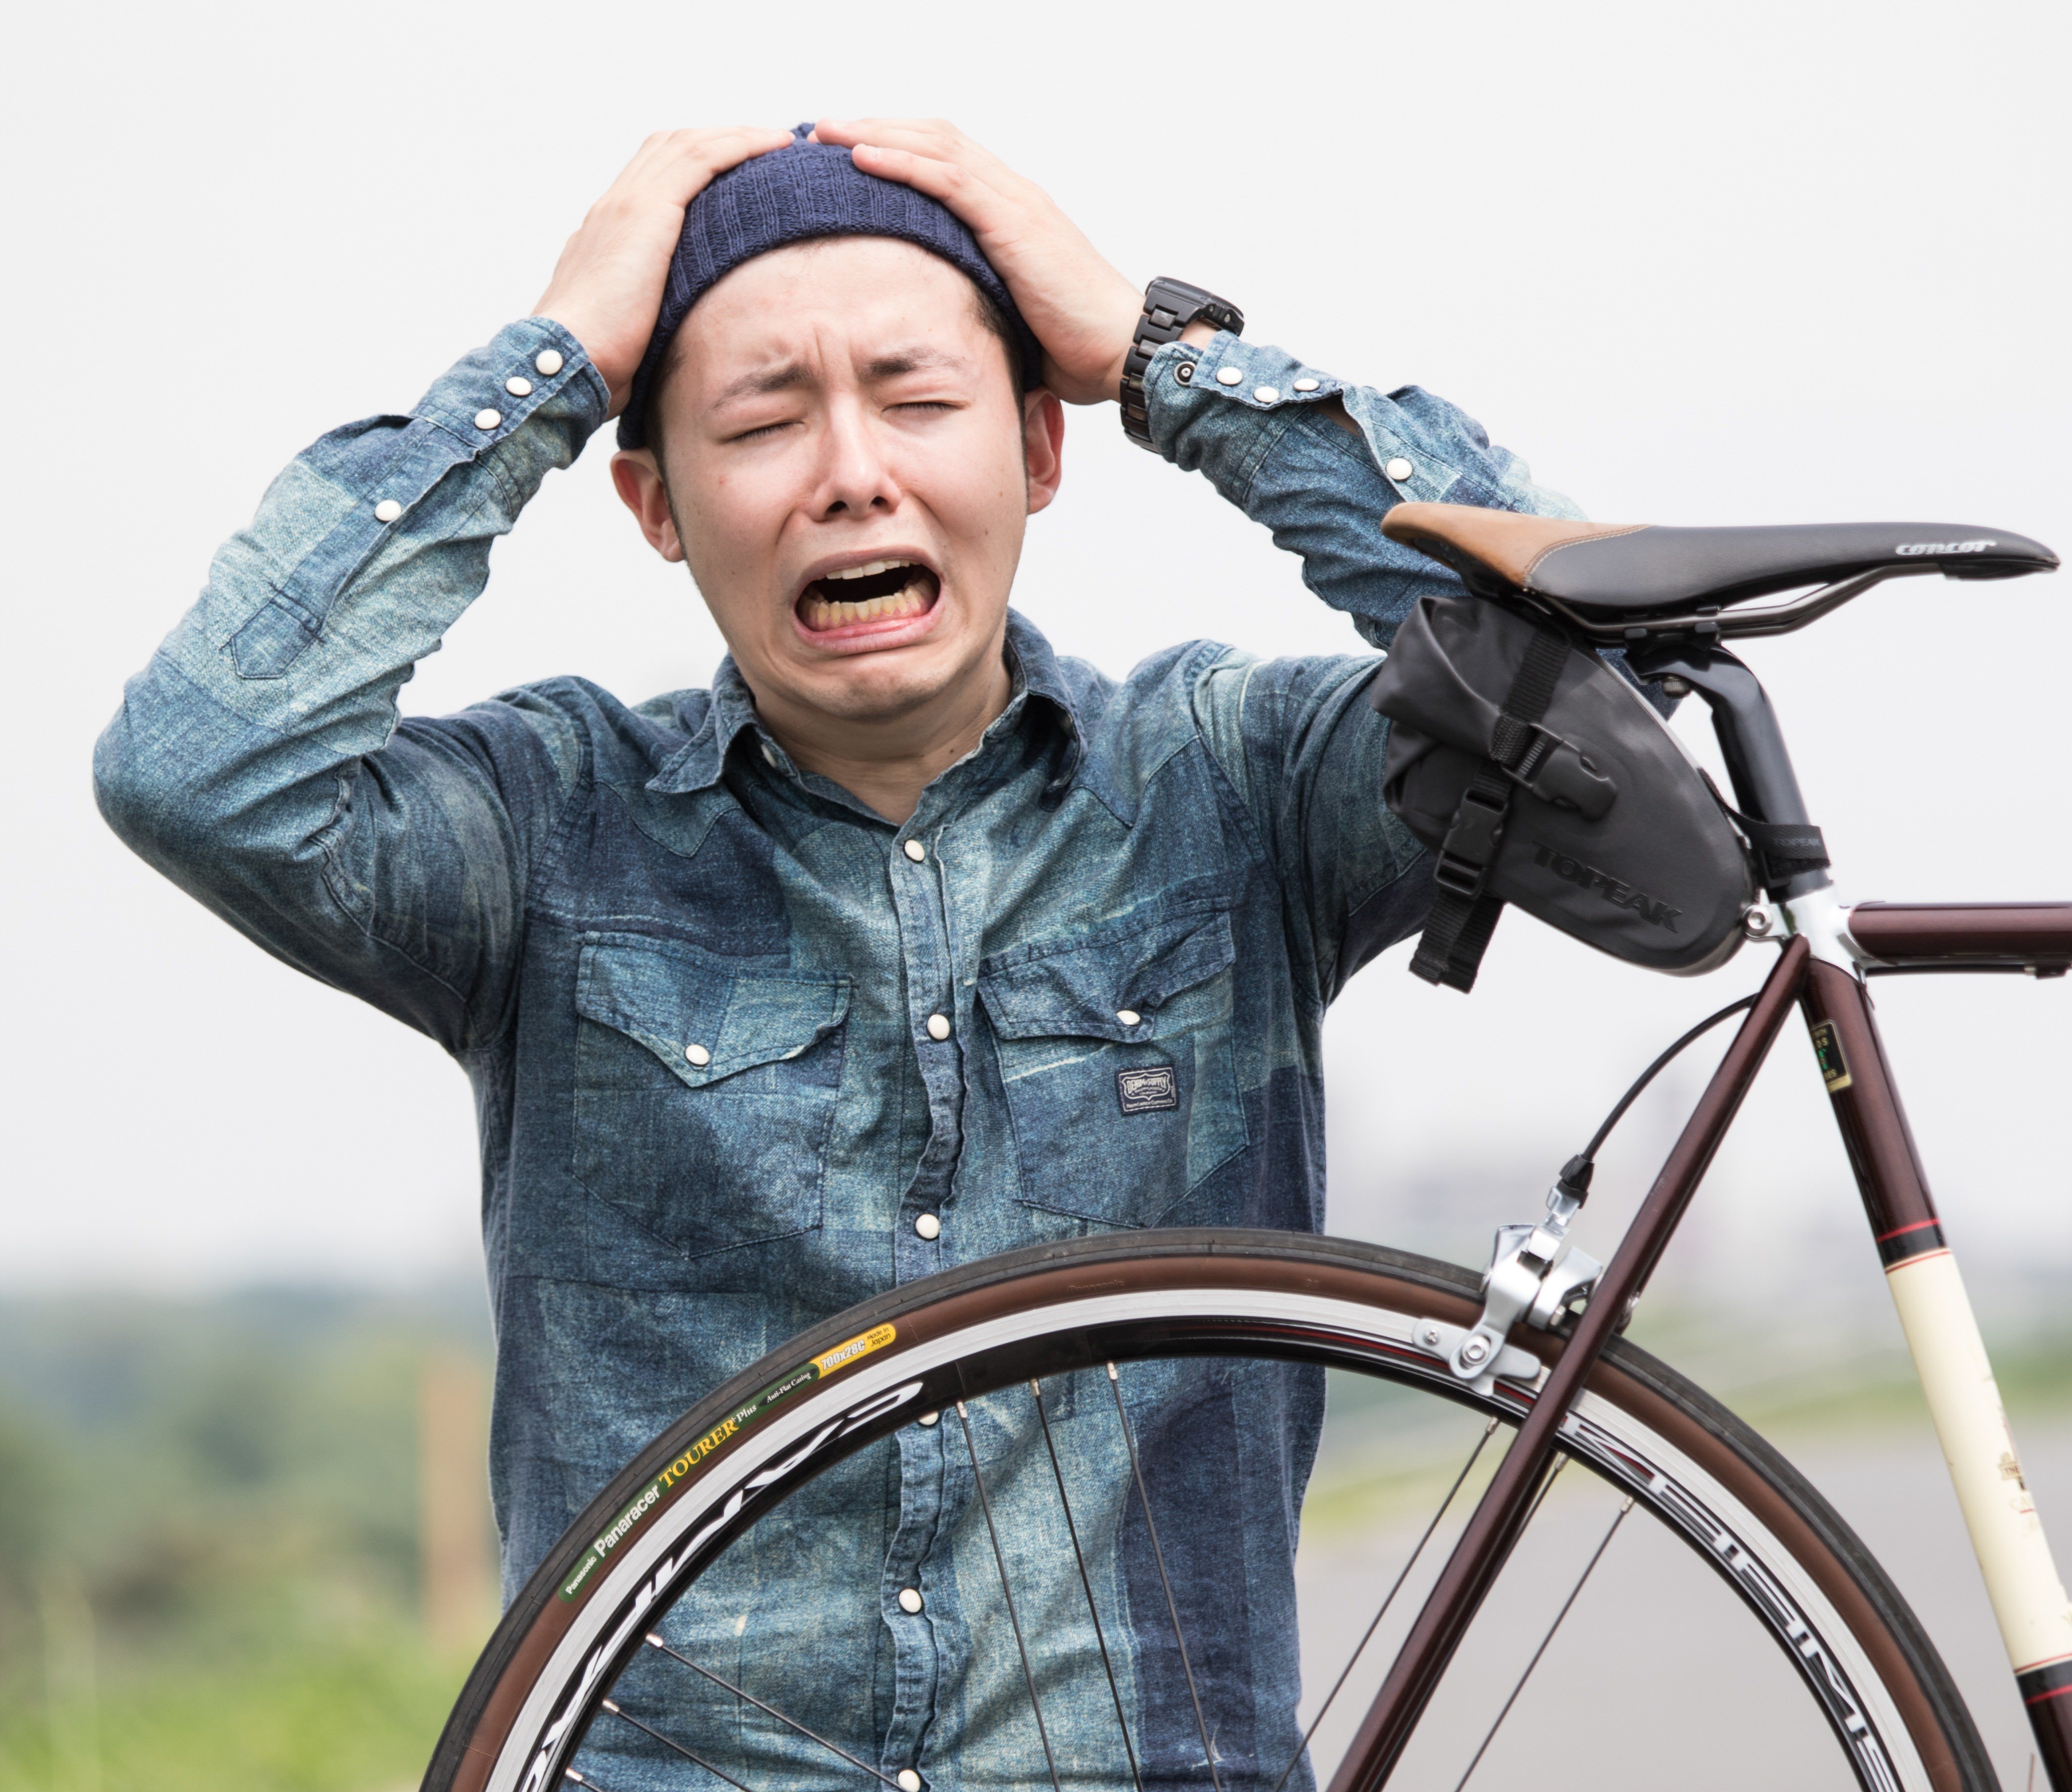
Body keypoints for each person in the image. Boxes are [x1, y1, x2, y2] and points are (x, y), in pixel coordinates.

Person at [95, 119, 1578, 1792]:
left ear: (1042, 448)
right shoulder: (550, 828)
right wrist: (550, 368)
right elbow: (200, 769)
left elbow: (1600, 666)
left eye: (918, 400)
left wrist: (1164, 355)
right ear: (654, 505)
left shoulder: (1239, 786)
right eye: (760, 423)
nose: (851, 473)